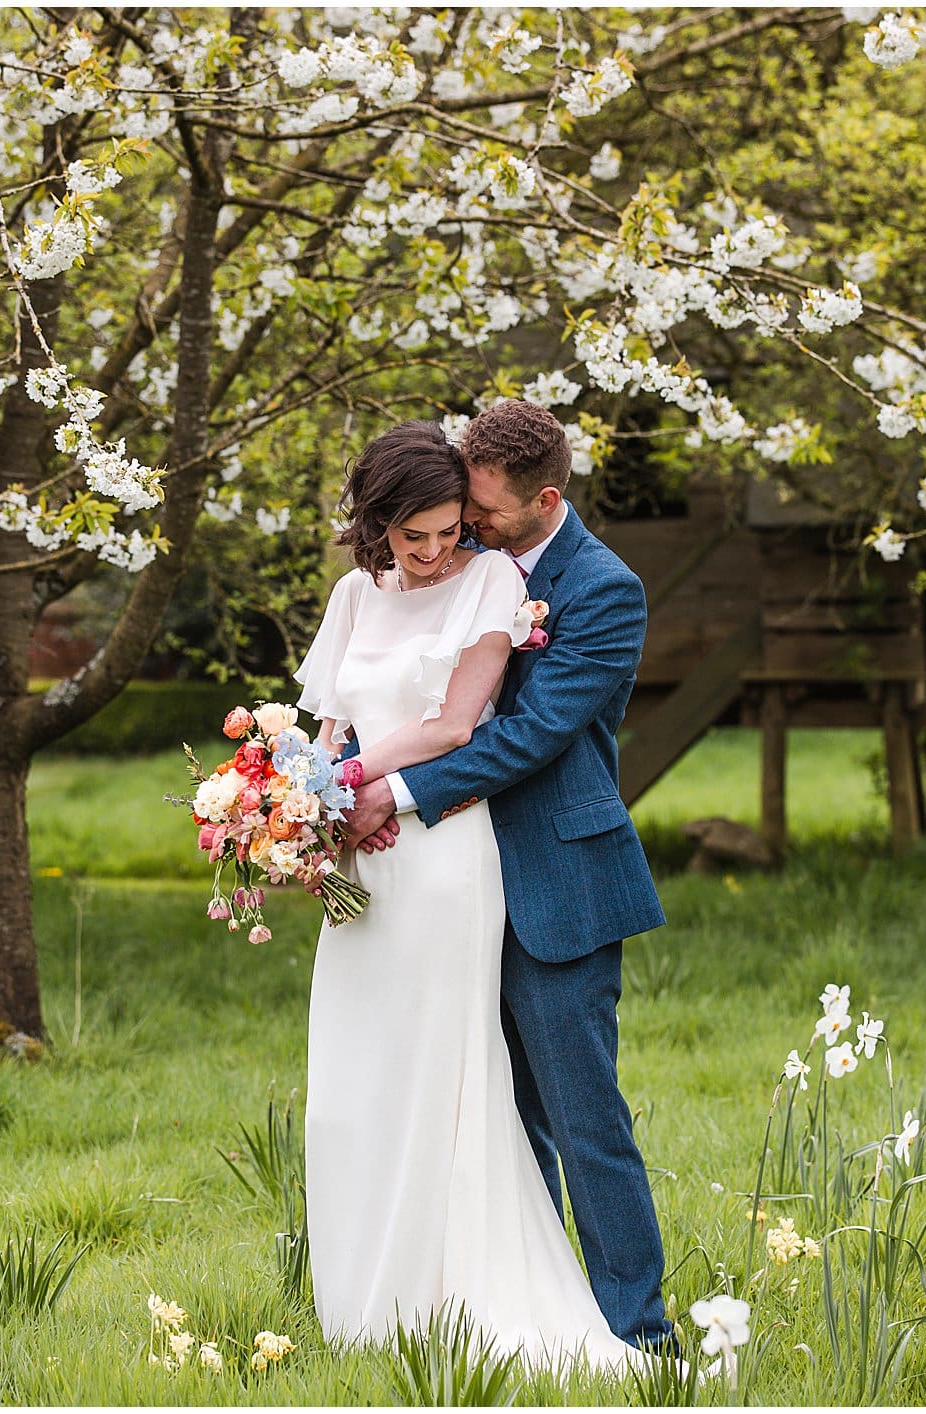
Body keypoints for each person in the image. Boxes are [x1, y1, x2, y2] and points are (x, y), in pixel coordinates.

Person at [293, 412, 669, 1373]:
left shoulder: (601, 588)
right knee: (479, 1110)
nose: (463, 529)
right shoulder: (429, 561)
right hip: (433, 884)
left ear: (541, 500)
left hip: (551, 875)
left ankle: (636, 1331)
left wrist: (387, 792)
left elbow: (528, 734)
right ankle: (491, 1298)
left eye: (480, 511)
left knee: (579, 1117)